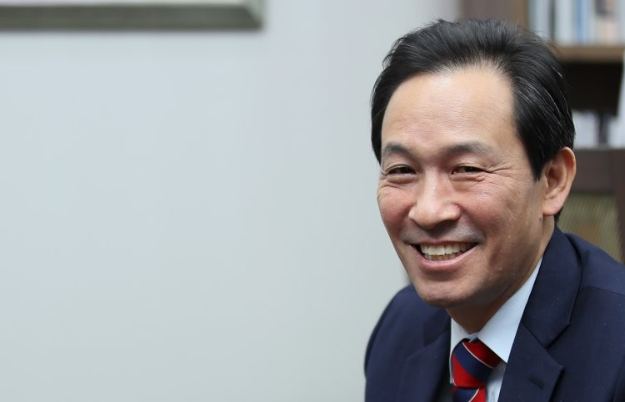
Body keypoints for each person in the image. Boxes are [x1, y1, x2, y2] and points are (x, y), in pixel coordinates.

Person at [365, 18, 625, 402]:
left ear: (552, 180)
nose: (428, 211)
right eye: (403, 170)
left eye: (466, 169)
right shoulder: (401, 327)